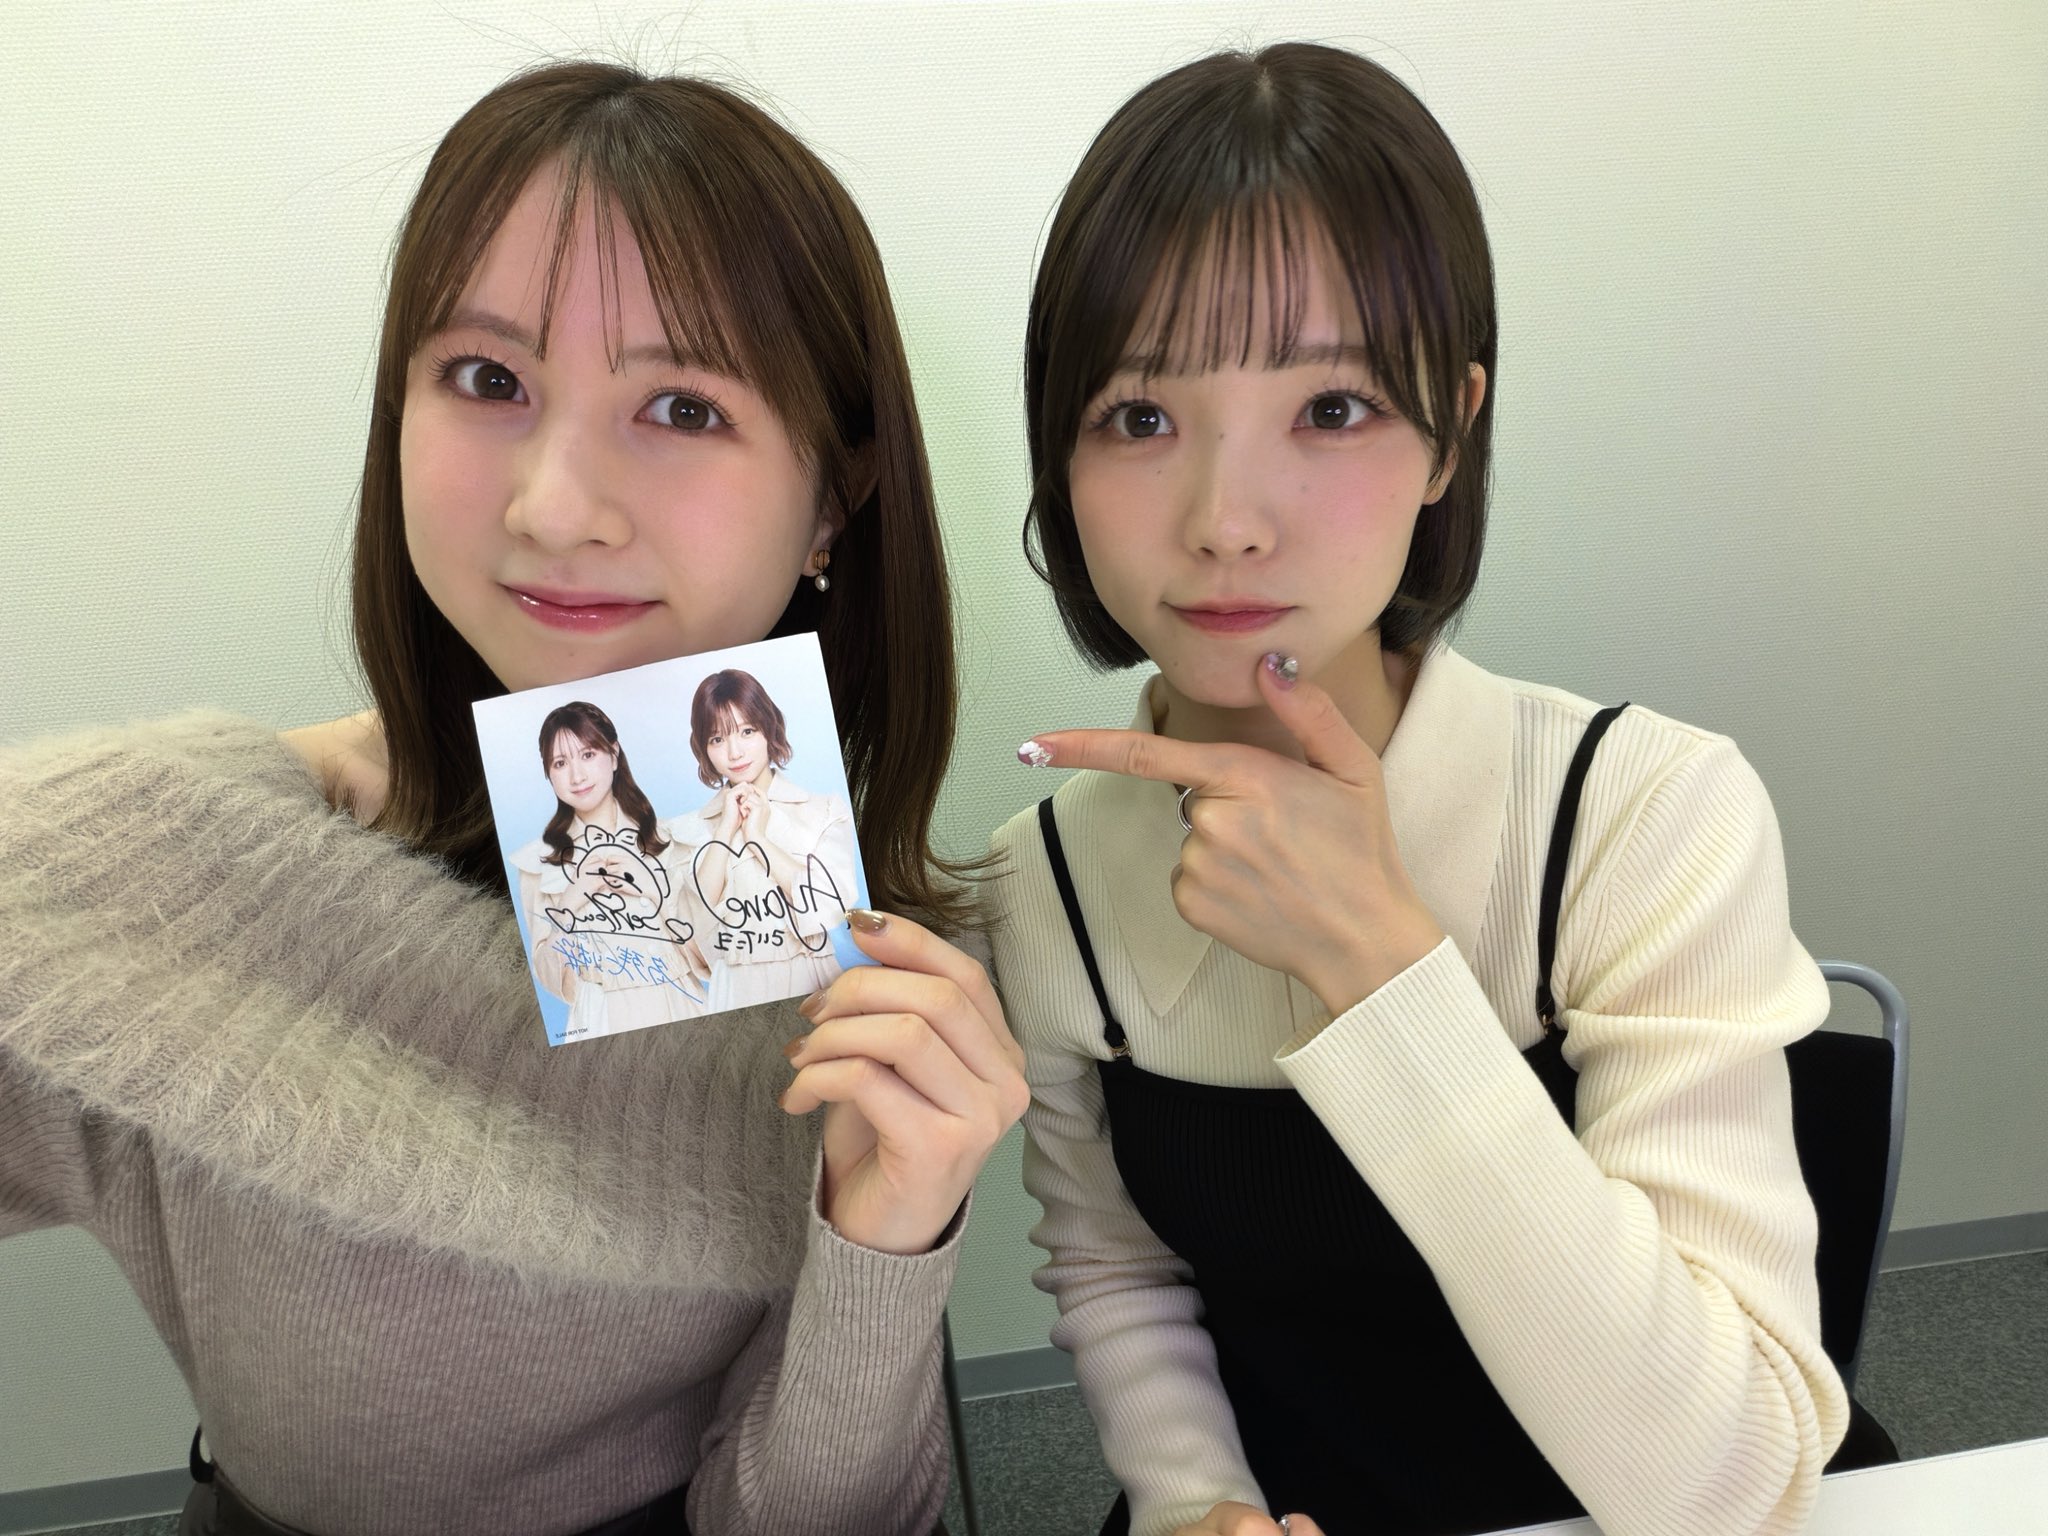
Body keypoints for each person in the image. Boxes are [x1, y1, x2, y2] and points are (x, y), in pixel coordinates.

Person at [0, 60, 1026, 1536]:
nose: (553, 506)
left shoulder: (875, 969)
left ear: (833, 496)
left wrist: (888, 1237)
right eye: (488, 381)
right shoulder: (180, 863)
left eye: (680, 404)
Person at [986, 43, 1854, 1536]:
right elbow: (1121, 1269)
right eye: (1138, 416)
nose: (1226, 523)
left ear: (1451, 427)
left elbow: (1732, 1480)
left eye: (1330, 408)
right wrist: (1194, 1504)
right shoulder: (1040, 879)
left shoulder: (1644, 814)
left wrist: (1380, 971)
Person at [514, 699, 710, 1040]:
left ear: (614, 754)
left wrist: (654, 891)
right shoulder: (539, 864)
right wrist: (568, 906)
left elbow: (709, 955)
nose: (576, 776)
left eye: (588, 754)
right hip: (599, 1018)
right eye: (560, 763)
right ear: (548, 773)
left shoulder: (671, 841)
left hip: (678, 1002)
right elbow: (549, 979)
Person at [685, 669, 859, 1010]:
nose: (734, 752)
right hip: (733, 990)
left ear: (769, 729)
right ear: (703, 748)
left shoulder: (822, 811)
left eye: (747, 731)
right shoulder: (693, 830)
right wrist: (725, 829)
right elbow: (692, 930)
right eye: (717, 739)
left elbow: (831, 907)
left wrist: (758, 838)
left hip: (812, 977)